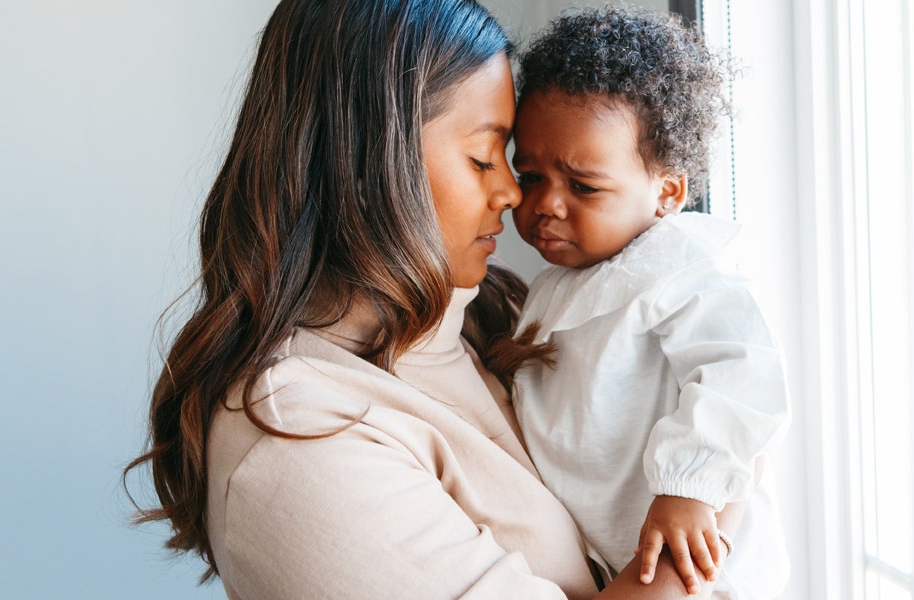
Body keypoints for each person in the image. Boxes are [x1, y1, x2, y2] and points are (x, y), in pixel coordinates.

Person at [125, 1, 735, 598]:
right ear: (367, 160)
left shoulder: (495, 323)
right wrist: (722, 495)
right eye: (485, 158)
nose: (510, 195)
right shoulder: (297, 440)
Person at [509, 7, 791, 599]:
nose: (546, 204)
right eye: (530, 176)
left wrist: (689, 486)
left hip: (695, 555)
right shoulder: (554, 286)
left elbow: (743, 370)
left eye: (582, 186)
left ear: (666, 192)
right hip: (610, 555)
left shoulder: (678, 265)